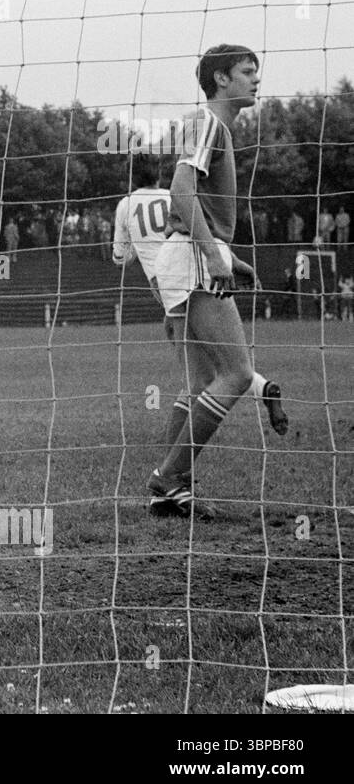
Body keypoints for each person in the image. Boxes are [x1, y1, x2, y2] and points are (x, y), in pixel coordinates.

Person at [146, 44, 269, 519]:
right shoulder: (209, 123)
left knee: (200, 381)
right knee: (237, 374)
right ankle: (169, 477)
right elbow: (181, 189)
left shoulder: (212, 128)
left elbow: (194, 204)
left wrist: (228, 255)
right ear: (220, 78)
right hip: (193, 258)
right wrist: (213, 254)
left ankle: (168, 485)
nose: (255, 79)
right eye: (246, 71)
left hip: (186, 256)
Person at [112, 154, 286, 441]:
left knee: (201, 367)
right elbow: (196, 229)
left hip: (168, 281)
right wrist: (232, 260)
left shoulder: (125, 204)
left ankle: (176, 452)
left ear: (131, 177)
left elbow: (120, 258)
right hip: (196, 266)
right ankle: (263, 388)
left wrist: (136, 247)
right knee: (213, 356)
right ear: (159, 172)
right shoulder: (172, 196)